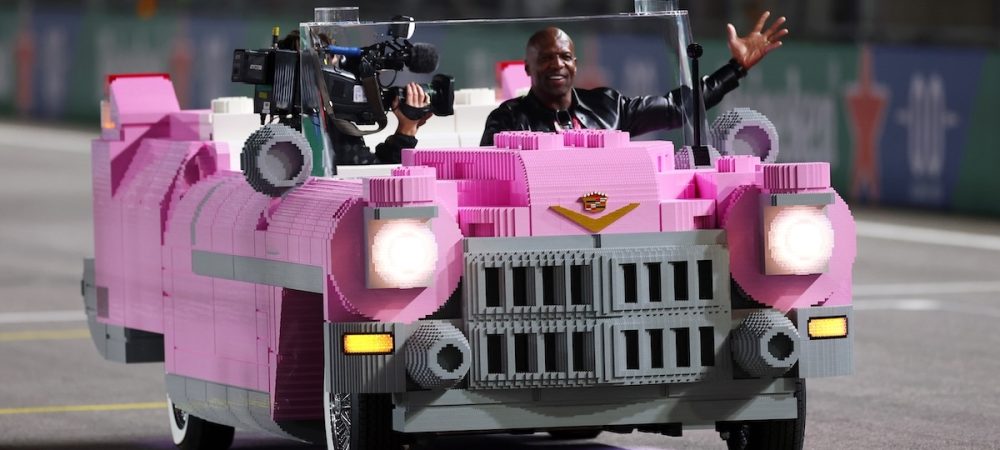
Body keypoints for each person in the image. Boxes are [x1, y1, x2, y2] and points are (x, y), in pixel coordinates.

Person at [480, 11, 789, 145]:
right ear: (528, 69)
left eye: (563, 57)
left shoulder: (607, 106)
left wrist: (735, 67)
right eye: (545, 58)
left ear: (575, 64)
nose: (556, 65)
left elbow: (676, 107)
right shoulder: (507, 120)